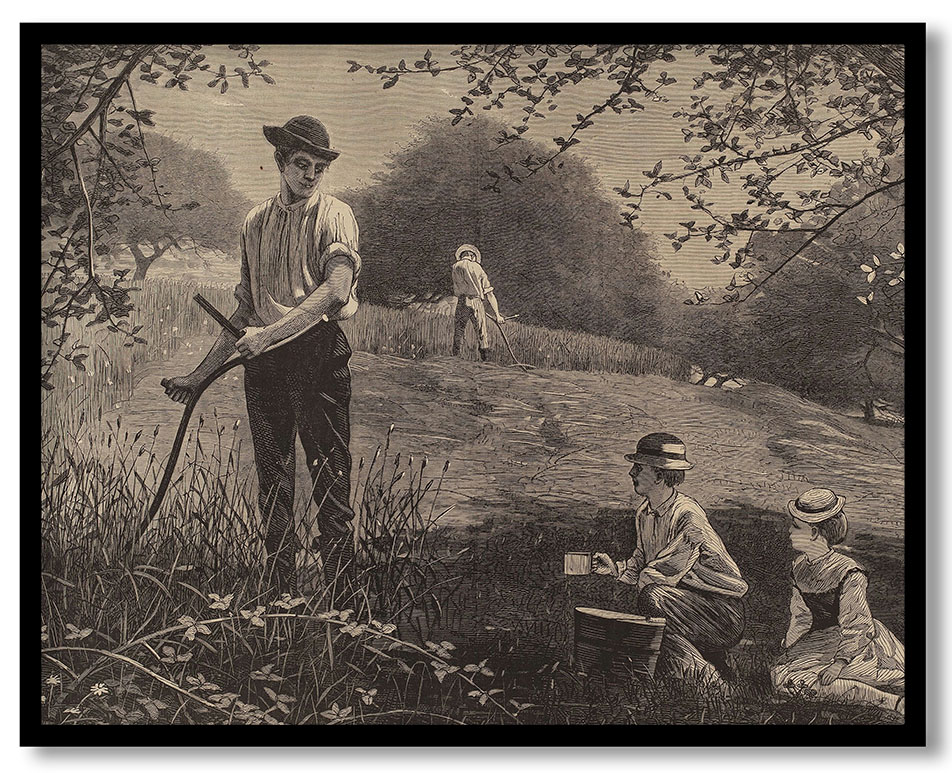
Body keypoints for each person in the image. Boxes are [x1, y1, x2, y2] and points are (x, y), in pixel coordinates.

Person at [162, 115, 360, 594]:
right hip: (266, 365)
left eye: (318, 166)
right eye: (301, 163)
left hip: (318, 353)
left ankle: (346, 598)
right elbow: (244, 311)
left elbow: (336, 292)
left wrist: (269, 335)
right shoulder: (254, 221)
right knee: (273, 479)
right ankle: (277, 594)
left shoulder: (335, 215)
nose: (310, 175)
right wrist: (197, 376)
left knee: (330, 475)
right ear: (280, 162)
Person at [592, 433, 748, 682]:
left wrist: (643, 582)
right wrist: (616, 569)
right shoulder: (644, 513)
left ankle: (708, 679)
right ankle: (710, 676)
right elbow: (642, 559)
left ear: (659, 475)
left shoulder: (688, 514)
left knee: (653, 598)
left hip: (722, 612)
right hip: (682, 604)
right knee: (658, 625)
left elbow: (668, 569)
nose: (632, 473)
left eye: (638, 467)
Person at [771, 488, 905, 715]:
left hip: (857, 643)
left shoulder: (848, 571)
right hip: (821, 641)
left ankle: (891, 703)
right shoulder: (800, 567)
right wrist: (791, 648)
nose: (789, 531)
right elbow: (801, 616)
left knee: (822, 680)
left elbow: (857, 624)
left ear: (814, 533)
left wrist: (839, 663)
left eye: (795, 526)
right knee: (783, 678)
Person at [451, 244, 505, 361]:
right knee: (482, 332)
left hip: (461, 302)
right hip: (476, 302)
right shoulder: (477, 268)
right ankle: (485, 361)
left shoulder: (455, 267)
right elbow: (489, 293)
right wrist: (497, 315)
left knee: (459, 331)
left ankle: (455, 360)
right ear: (472, 256)